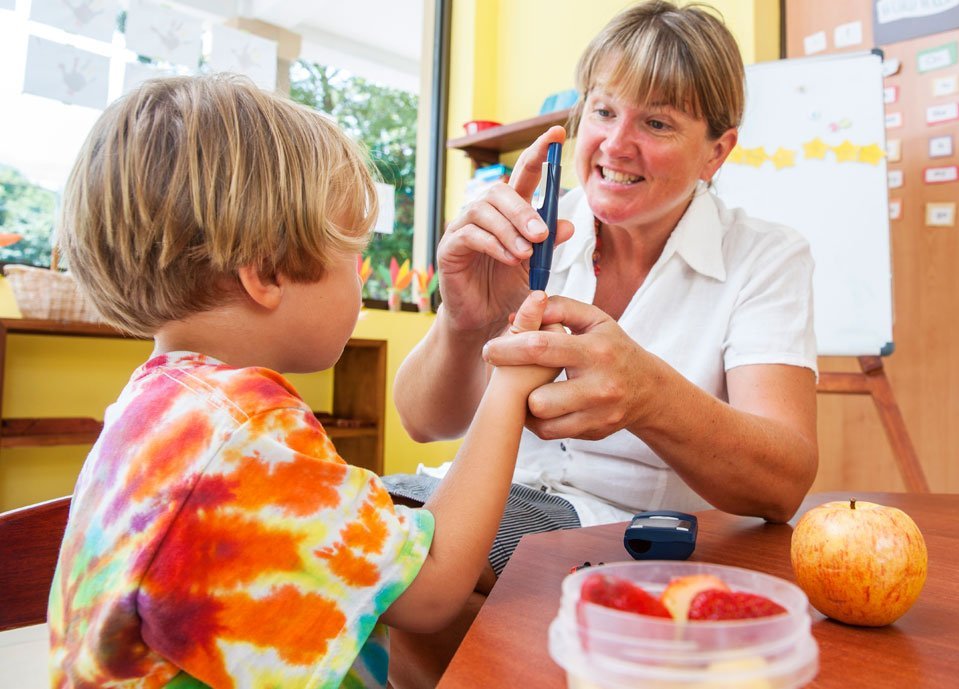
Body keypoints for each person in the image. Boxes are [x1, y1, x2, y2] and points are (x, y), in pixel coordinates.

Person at [47, 74, 557, 688]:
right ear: (266, 273)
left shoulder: (157, 406)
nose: (359, 280)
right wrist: (509, 382)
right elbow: (430, 592)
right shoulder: (247, 427)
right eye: (354, 254)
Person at [387, 2, 819, 686]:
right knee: (354, 544)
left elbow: (783, 480)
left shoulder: (764, 257)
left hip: (616, 534)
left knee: (408, 583)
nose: (616, 145)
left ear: (718, 150)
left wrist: (648, 394)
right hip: (479, 500)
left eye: (656, 122)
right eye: (603, 111)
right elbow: (421, 417)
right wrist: (464, 320)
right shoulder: (529, 227)